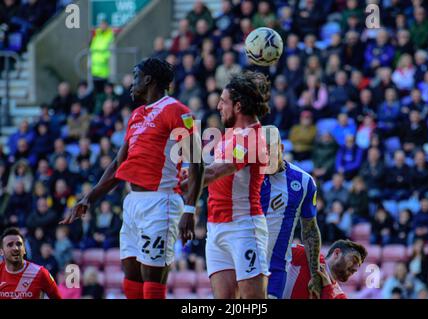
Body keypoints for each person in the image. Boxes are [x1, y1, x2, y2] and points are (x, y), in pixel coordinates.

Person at [60, 57, 205, 300]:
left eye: (135, 76)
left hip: (162, 202)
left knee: (152, 273)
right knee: (130, 272)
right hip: (133, 201)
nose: (131, 83)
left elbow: (198, 162)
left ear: (149, 79)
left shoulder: (178, 112)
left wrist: (190, 210)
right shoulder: (137, 115)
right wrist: (89, 198)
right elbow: (119, 163)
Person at [182, 71, 270, 299]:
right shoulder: (229, 135)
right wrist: (186, 174)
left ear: (238, 106)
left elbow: (214, 172)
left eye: (223, 101)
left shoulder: (253, 138)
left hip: (244, 228)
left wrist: (178, 183)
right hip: (215, 228)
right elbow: (208, 173)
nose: (218, 106)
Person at [260, 126, 321, 299]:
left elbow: (310, 230)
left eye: (271, 154)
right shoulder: (245, 177)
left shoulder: (303, 181)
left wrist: (315, 274)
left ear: (281, 148)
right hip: (241, 266)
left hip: (275, 270)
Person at [283, 239, 367, 299]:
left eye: (358, 265)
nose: (356, 268)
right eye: (354, 260)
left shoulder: (339, 296)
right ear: (337, 253)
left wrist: (328, 288)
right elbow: (274, 251)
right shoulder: (308, 255)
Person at [0, 227, 61, 299]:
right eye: (10, 245)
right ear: (1, 252)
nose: (15, 248)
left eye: (19, 244)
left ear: (24, 250)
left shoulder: (41, 273)